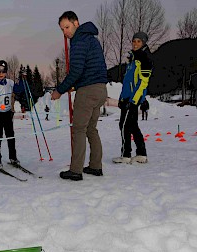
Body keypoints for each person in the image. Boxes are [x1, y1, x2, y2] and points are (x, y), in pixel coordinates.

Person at [50, 11, 108, 181]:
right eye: (62, 30)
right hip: (100, 89)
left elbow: (76, 70)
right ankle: (96, 166)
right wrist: (75, 85)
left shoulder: (79, 41)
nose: (65, 32)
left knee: (79, 129)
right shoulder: (91, 39)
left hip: (88, 92)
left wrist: (60, 90)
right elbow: (90, 68)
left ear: (76, 23)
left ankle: (75, 170)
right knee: (91, 129)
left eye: (67, 27)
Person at [113, 32, 153, 164]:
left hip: (132, 99)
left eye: (138, 42)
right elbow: (127, 82)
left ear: (144, 43)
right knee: (133, 126)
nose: (135, 44)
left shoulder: (144, 58)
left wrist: (134, 100)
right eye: (134, 41)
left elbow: (143, 83)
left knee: (124, 125)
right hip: (126, 98)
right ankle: (141, 154)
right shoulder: (133, 59)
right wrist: (121, 98)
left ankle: (126, 155)